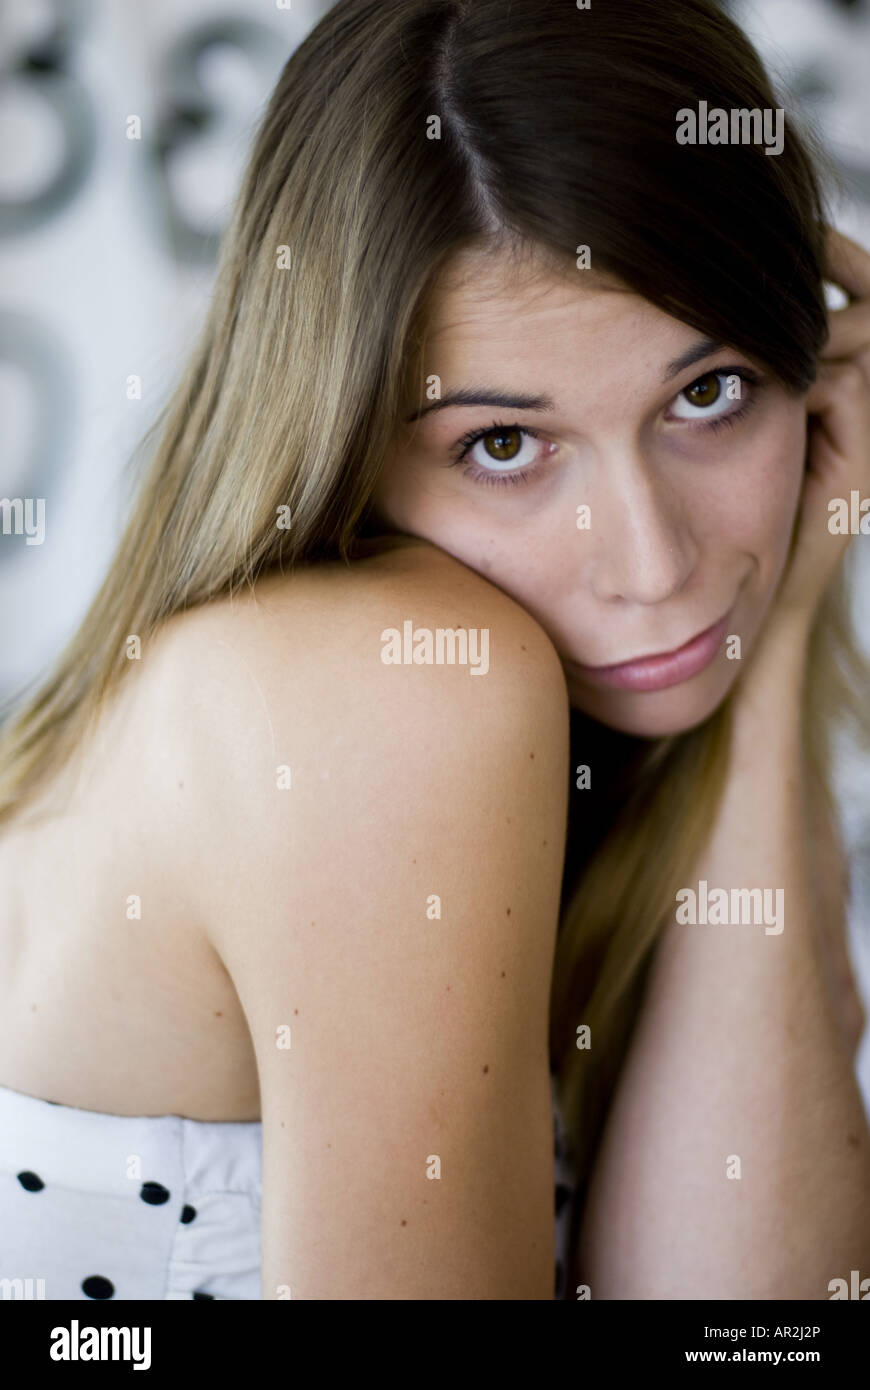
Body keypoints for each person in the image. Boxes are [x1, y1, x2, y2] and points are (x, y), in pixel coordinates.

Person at [0, 0, 869, 1301]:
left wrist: (784, 616)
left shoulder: (557, 730)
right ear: (340, 437)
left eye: (707, 393)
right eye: (503, 446)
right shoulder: (388, 690)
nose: (653, 563)